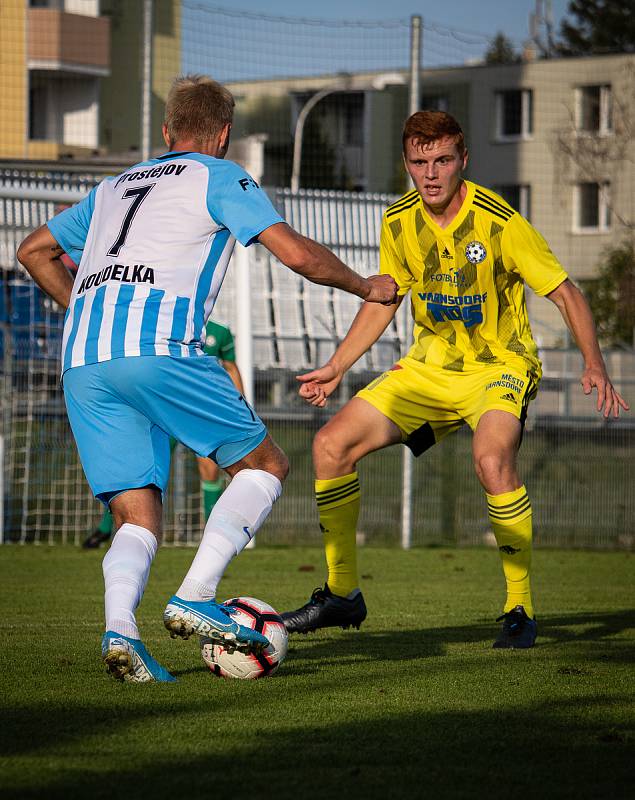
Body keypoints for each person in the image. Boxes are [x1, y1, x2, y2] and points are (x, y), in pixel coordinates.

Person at [17, 74, 397, 683]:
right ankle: (195, 594)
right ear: (223, 135)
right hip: (159, 349)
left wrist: (86, 314)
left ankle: (122, 636)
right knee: (265, 466)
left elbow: (33, 250)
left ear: (166, 132)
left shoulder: (116, 185)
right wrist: (365, 285)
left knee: (135, 516)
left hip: (84, 360)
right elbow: (295, 254)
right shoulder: (218, 176)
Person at [281, 110, 629, 649]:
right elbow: (387, 298)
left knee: (492, 460)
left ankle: (520, 607)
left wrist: (594, 363)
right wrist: (337, 366)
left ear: (463, 159)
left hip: (500, 367)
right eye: (420, 162)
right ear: (407, 164)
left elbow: (566, 292)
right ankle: (342, 593)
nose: (432, 173)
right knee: (330, 445)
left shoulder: (500, 221)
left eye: (443, 159)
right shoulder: (398, 221)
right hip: (429, 369)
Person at [82, 319, 243, 548]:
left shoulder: (220, 332)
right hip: (165, 410)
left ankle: (213, 538)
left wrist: (239, 403)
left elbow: (231, 368)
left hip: (198, 412)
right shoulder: (167, 325)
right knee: (143, 471)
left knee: (209, 470)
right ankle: (107, 529)